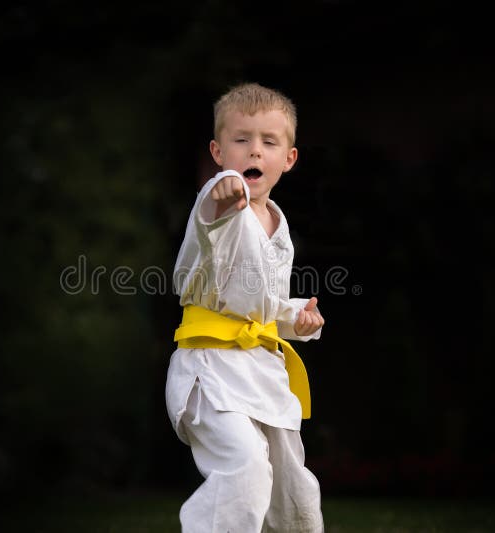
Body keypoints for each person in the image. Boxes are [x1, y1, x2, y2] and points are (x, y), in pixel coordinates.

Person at [165, 82, 325, 532]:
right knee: (244, 468)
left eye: (268, 142)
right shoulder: (221, 201)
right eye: (241, 140)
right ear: (218, 151)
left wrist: (296, 317)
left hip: (261, 369)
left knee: (293, 490)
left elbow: (260, 302)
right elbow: (213, 209)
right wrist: (221, 194)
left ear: (288, 159)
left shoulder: (277, 222)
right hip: (211, 369)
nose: (254, 151)